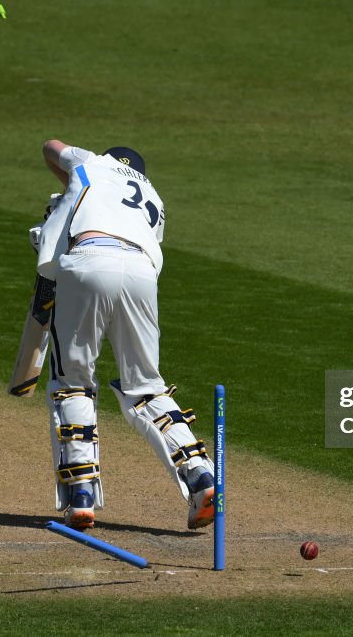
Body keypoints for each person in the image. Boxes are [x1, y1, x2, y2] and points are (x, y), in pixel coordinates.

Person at [34, 139, 215, 531]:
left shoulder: (93, 164)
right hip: (141, 274)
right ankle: (200, 474)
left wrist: (69, 182)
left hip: (88, 262)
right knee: (146, 388)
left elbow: (51, 146)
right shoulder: (153, 198)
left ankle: (81, 496)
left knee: (72, 383)